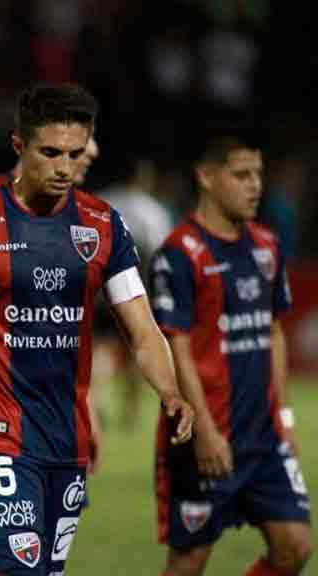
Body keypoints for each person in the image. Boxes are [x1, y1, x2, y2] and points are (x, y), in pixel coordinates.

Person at [0, 83, 194, 575]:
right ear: (18, 147)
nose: (64, 167)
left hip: (65, 436)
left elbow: (140, 328)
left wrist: (171, 391)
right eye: (50, 152)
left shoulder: (102, 226)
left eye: (75, 154)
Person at [150, 136, 311, 576]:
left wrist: (286, 419)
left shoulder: (266, 246)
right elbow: (175, 347)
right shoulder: (179, 255)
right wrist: (203, 430)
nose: (255, 186)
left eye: (258, 174)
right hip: (204, 436)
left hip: (263, 437)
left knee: (294, 546)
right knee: (189, 562)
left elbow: (273, 331)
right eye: (241, 175)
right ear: (206, 177)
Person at [93, 155, 175, 434]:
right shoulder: (153, 212)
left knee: (101, 347)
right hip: (135, 288)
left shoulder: (101, 202)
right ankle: (131, 414)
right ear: (144, 179)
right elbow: (160, 256)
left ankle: (97, 401)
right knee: (137, 347)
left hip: (99, 290)